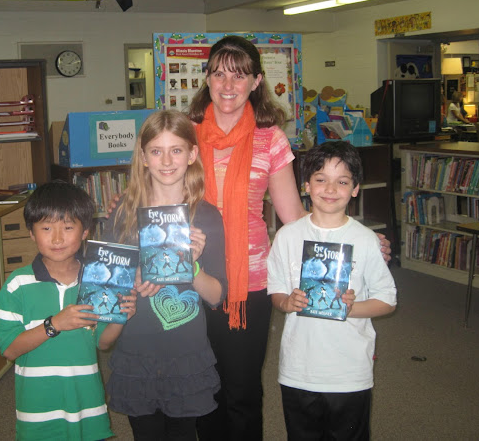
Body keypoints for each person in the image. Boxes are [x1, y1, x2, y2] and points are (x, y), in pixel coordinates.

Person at [187, 35, 392, 440]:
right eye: (219, 74)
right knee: (200, 384)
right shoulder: (185, 134)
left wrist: (353, 244)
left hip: (250, 280)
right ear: (206, 78)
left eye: (239, 76)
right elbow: (159, 192)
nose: (228, 85)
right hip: (189, 273)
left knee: (241, 389)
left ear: (256, 81)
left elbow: (295, 217)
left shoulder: (270, 139)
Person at [104, 110, 227, 441]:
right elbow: (107, 284)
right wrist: (131, 276)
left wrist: (192, 265)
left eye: (176, 150)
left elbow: (217, 296)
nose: (167, 161)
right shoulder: (123, 212)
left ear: (192, 154)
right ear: (143, 157)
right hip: (136, 348)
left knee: (183, 434)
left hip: (185, 351)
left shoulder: (207, 217)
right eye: (156, 151)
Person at [267, 141, 397, 440]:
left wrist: (353, 308)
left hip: (349, 372)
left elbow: (387, 300)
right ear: (306, 185)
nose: (330, 189)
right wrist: (287, 302)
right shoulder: (287, 237)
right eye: (321, 179)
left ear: (355, 188)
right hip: (299, 369)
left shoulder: (366, 240)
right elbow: (276, 292)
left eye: (342, 182)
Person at [0, 181, 137, 441]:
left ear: (85, 232)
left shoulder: (96, 283)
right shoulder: (17, 285)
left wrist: (120, 319)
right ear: (31, 232)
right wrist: (54, 324)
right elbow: (9, 349)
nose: (58, 238)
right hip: (38, 410)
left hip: (87, 404)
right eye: (46, 228)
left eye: (68, 227)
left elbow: (103, 343)